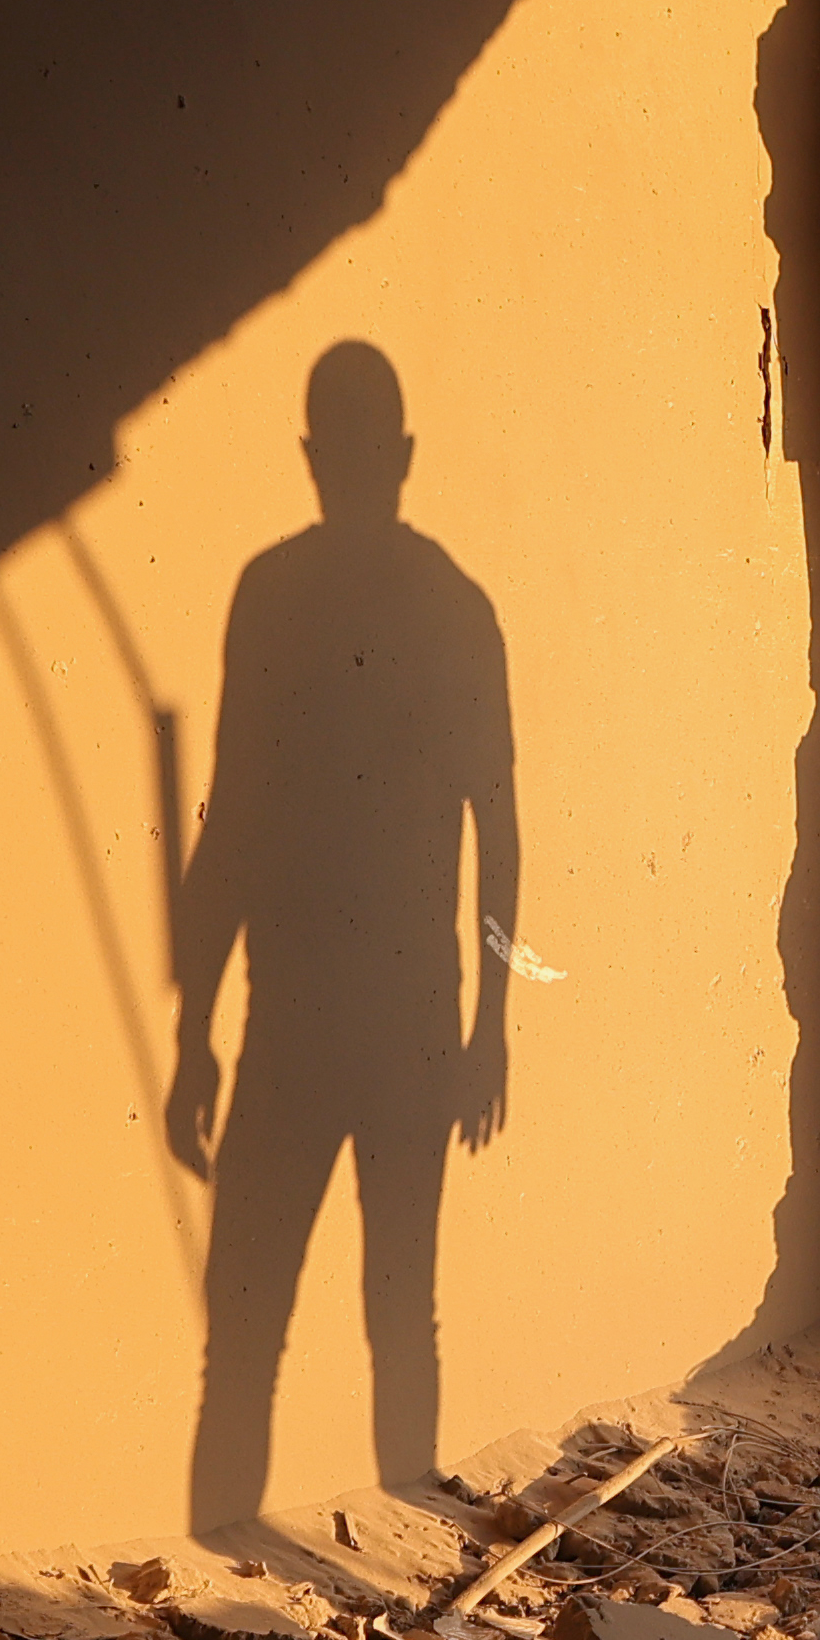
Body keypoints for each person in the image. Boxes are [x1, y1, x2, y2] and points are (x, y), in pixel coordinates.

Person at [166, 340, 514, 1552]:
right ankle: (271, 1567)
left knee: (281, 1331)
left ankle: (341, 1570)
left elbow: (233, 825)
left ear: (325, 457)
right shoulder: (440, 605)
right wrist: (487, 1025)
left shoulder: (287, 596)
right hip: (374, 1023)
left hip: (328, 1024)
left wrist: (191, 1035)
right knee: (350, 1319)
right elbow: (495, 831)